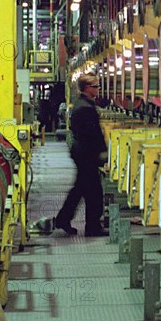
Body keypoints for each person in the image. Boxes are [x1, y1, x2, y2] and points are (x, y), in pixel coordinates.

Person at [55, 73, 108, 236]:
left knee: (80, 189)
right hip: (87, 155)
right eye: (95, 86)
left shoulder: (82, 105)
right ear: (87, 88)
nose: (98, 89)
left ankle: (63, 219)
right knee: (94, 193)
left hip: (82, 154)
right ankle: (92, 227)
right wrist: (102, 152)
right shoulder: (85, 108)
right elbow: (93, 134)